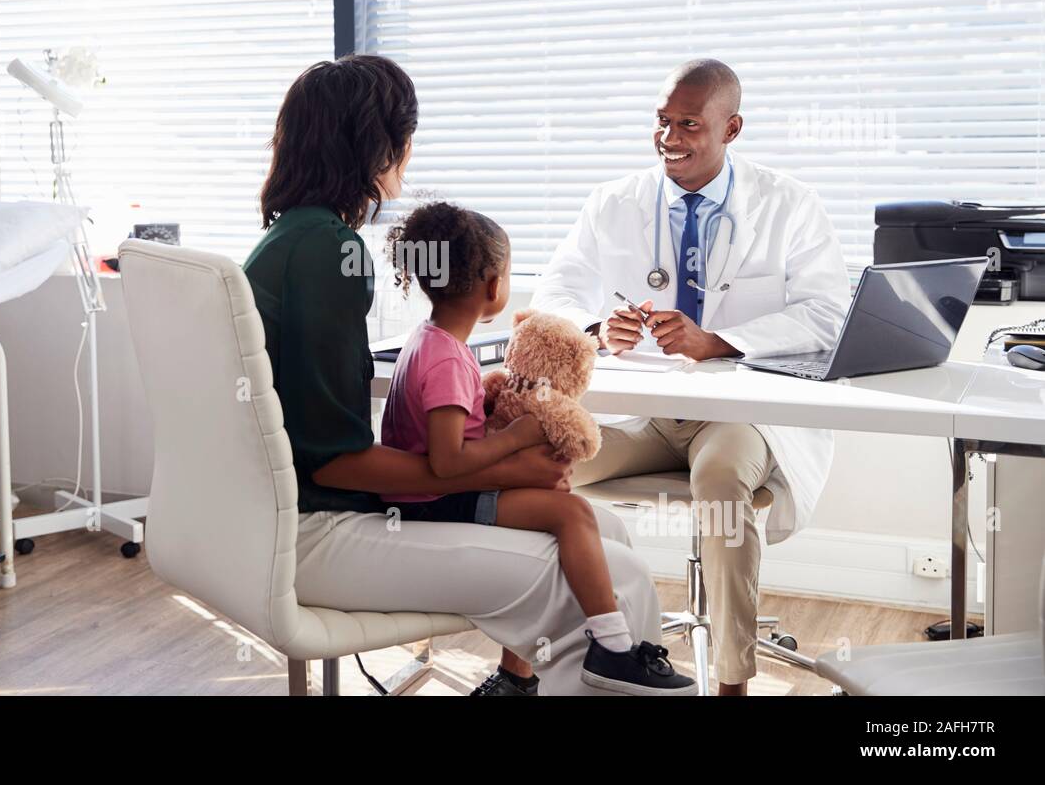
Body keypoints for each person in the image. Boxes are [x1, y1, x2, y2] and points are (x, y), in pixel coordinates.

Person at [243, 54, 664, 696]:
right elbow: (334, 464)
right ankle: (595, 669)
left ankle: (518, 683)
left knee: (603, 529)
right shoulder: (328, 253)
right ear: (388, 148)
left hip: (282, 520)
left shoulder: (287, 243)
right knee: (619, 574)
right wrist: (509, 464)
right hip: (318, 531)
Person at [531, 58, 850, 695]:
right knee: (541, 465)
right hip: (644, 413)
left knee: (721, 480)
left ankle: (731, 681)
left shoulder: (789, 204)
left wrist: (721, 340)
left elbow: (827, 314)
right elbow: (553, 291)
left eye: (689, 125)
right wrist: (597, 328)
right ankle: (552, 658)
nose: (670, 138)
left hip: (736, 413)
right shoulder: (614, 202)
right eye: (662, 121)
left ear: (730, 128)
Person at [378, 200, 695, 695]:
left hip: (436, 496)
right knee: (573, 516)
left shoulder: (431, 341)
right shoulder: (446, 360)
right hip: (436, 505)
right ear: (493, 286)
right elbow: (445, 462)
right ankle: (612, 648)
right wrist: (518, 438)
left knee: (575, 512)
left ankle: (532, 672)